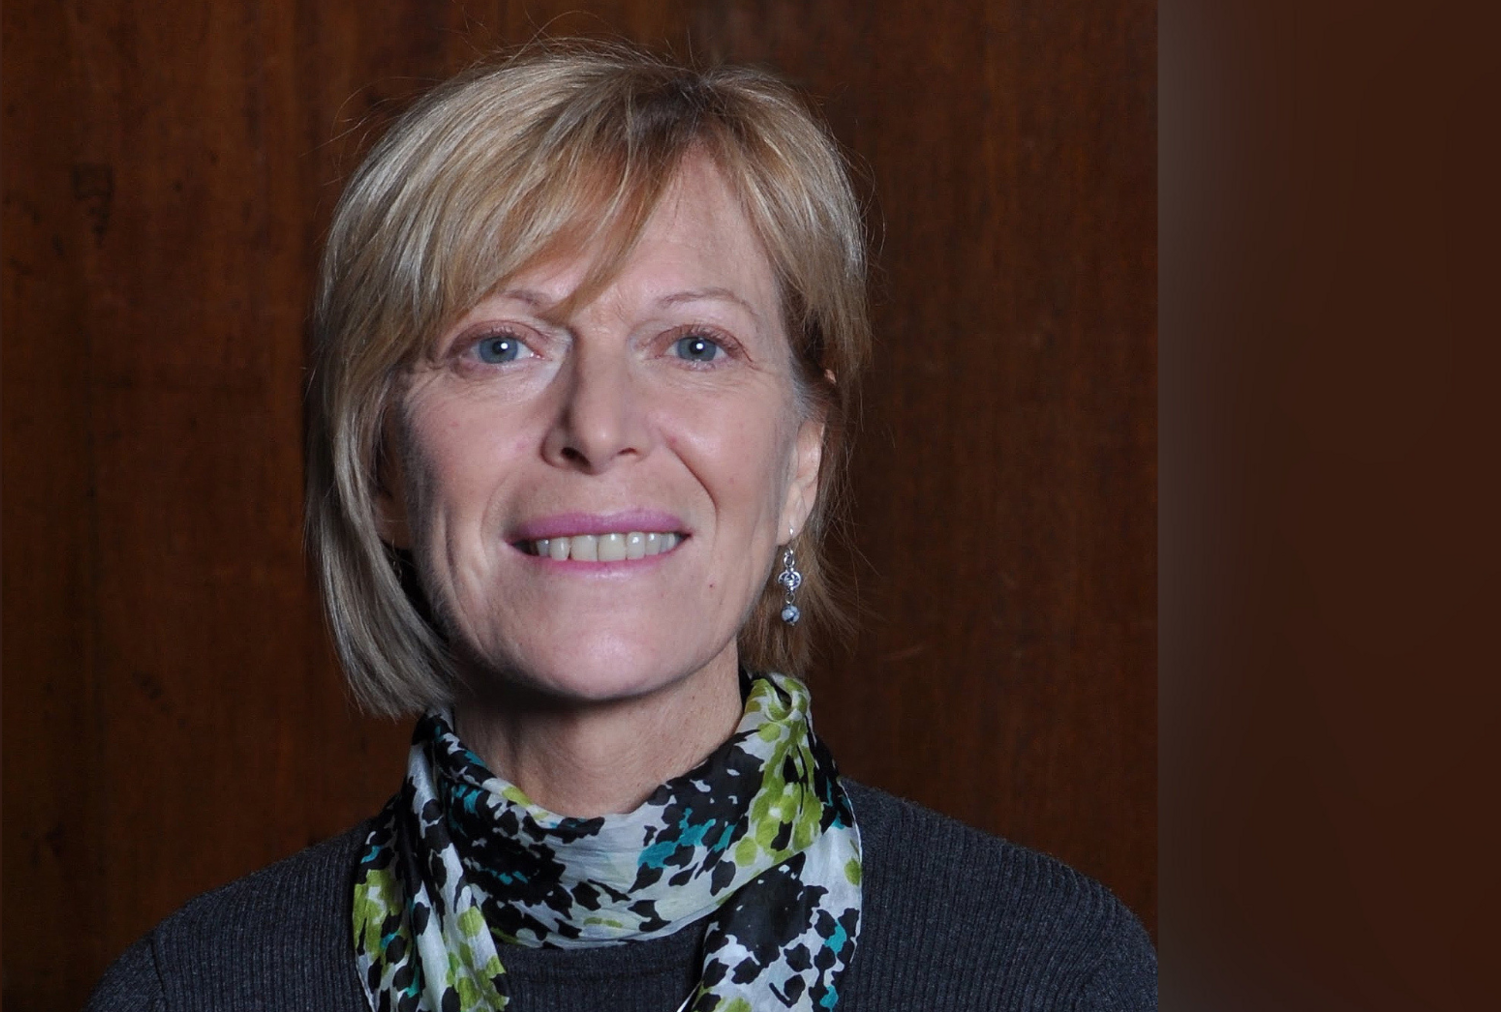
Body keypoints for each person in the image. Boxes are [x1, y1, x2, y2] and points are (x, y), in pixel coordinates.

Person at [86, 42, 1155, 1012]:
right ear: (382, 468)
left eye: (693, 345)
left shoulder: (1049, 968)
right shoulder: (190, 991)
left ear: (803, 459)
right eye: (499, 347)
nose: (598, 429)